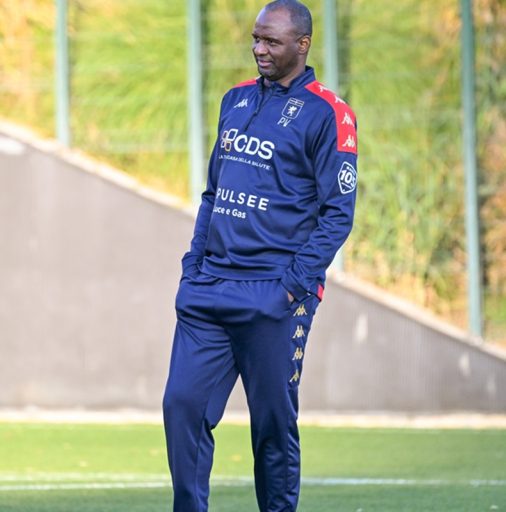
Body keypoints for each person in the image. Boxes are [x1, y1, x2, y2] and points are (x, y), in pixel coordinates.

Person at [162, 1, 357, 511]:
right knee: (182, 406)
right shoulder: (235, 99)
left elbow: (338, 214)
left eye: (271, 41)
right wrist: (193, 268)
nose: (259, 49)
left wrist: (292, 285)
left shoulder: (329, 114)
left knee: (272, 424)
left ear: (302, 44)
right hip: (210, 289)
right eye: (256, 39)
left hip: (275, 292)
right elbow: (213, 192)